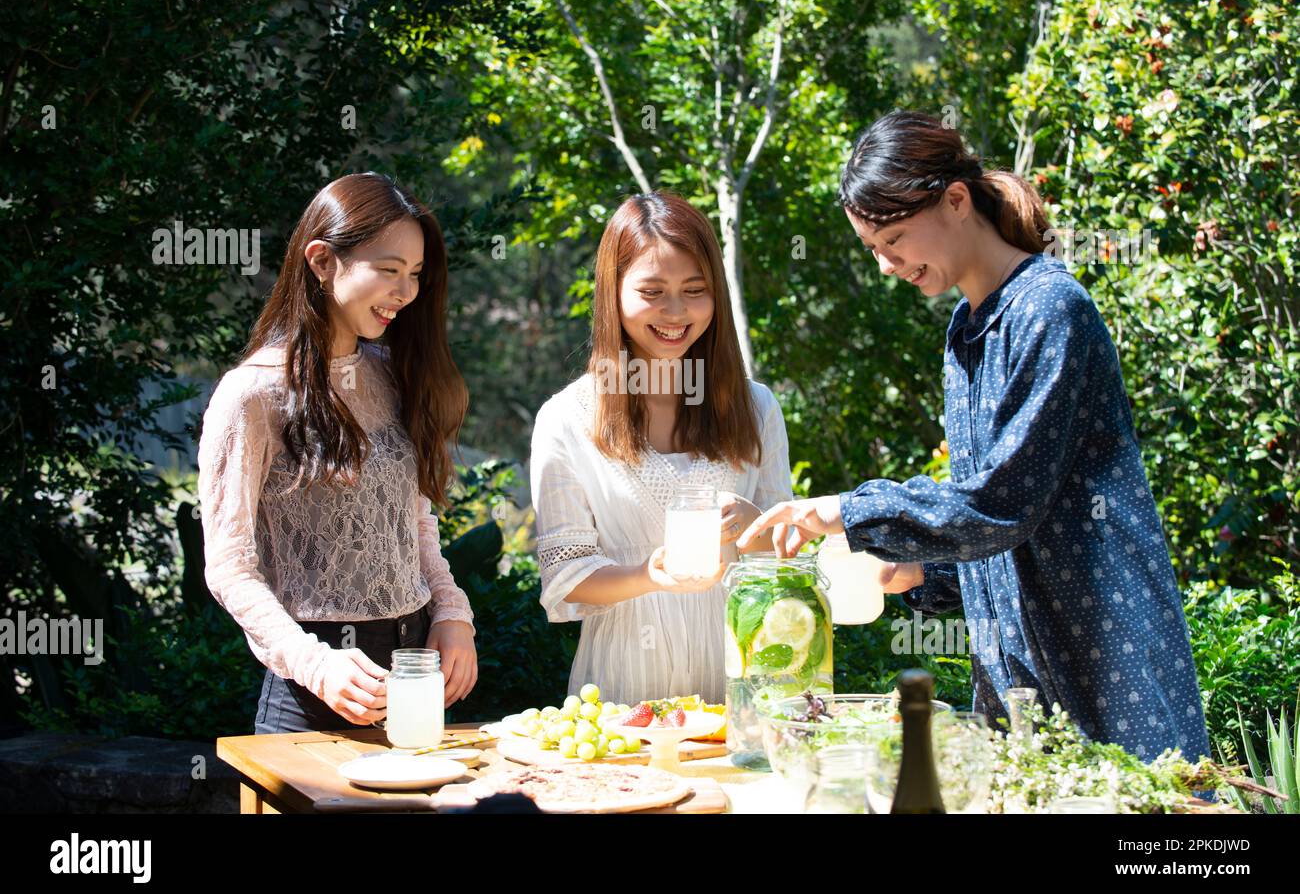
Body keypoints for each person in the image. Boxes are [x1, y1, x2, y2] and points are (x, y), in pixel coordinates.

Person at [739, 111, 1211, 763]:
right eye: (873, 248)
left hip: (1104, 659)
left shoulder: (1050, 308)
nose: (885, 265)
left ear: (956, 200)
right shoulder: (966, 329)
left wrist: (844, 511)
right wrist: (919, 569)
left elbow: (1000, 502)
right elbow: (993, 523)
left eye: (895, 238)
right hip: (1017, 676)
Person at [197, 172, 478, 733]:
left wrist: (452, 612)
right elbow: (229, 567)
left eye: (416, 275)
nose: (406, 292)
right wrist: (316, 666)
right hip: (312, 696)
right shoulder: (251, 395)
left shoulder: (395, 375)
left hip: (416, 671)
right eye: (390, 271)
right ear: (322, 261)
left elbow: (415, 523)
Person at [530, 191, 792, 705]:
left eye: (694, 290)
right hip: (623, 685)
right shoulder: (566, 419)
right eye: (653, 291)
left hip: (736, 681)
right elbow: (565, 576)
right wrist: (650, 574)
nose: (676, 311)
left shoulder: (756, 408)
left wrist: (752, 521)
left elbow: (782, 564)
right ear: (614, 292)